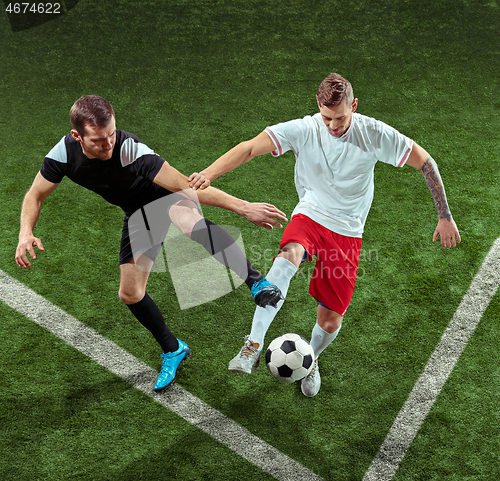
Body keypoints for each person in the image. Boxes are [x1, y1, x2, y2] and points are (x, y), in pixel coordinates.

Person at [188, 73, 461, 397]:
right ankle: (253, 345)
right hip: (311, 214)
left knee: (330, 321)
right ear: (318, 108)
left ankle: (311, 359)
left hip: (348, 230)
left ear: (354, 106)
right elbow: (249, 149)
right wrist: (207, 173)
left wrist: (444, 216)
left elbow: (425, 161)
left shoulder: (374, 133)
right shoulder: (305, 128)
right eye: (326, 117)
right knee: (286, 257)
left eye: (340, 118)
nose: (333, 125)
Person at [15, 95, 287, 391]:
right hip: (139, 216)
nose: (107, 144)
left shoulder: (130, 149)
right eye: (98, 140)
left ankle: (256, 283)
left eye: (111, 134)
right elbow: (35, 195)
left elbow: (183, 186)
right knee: (130, 293)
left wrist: (242, 206)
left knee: (188, 223)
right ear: (76, 136)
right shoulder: (63, 156)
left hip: (163, 196)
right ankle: (174, 348)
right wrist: (25, 233)